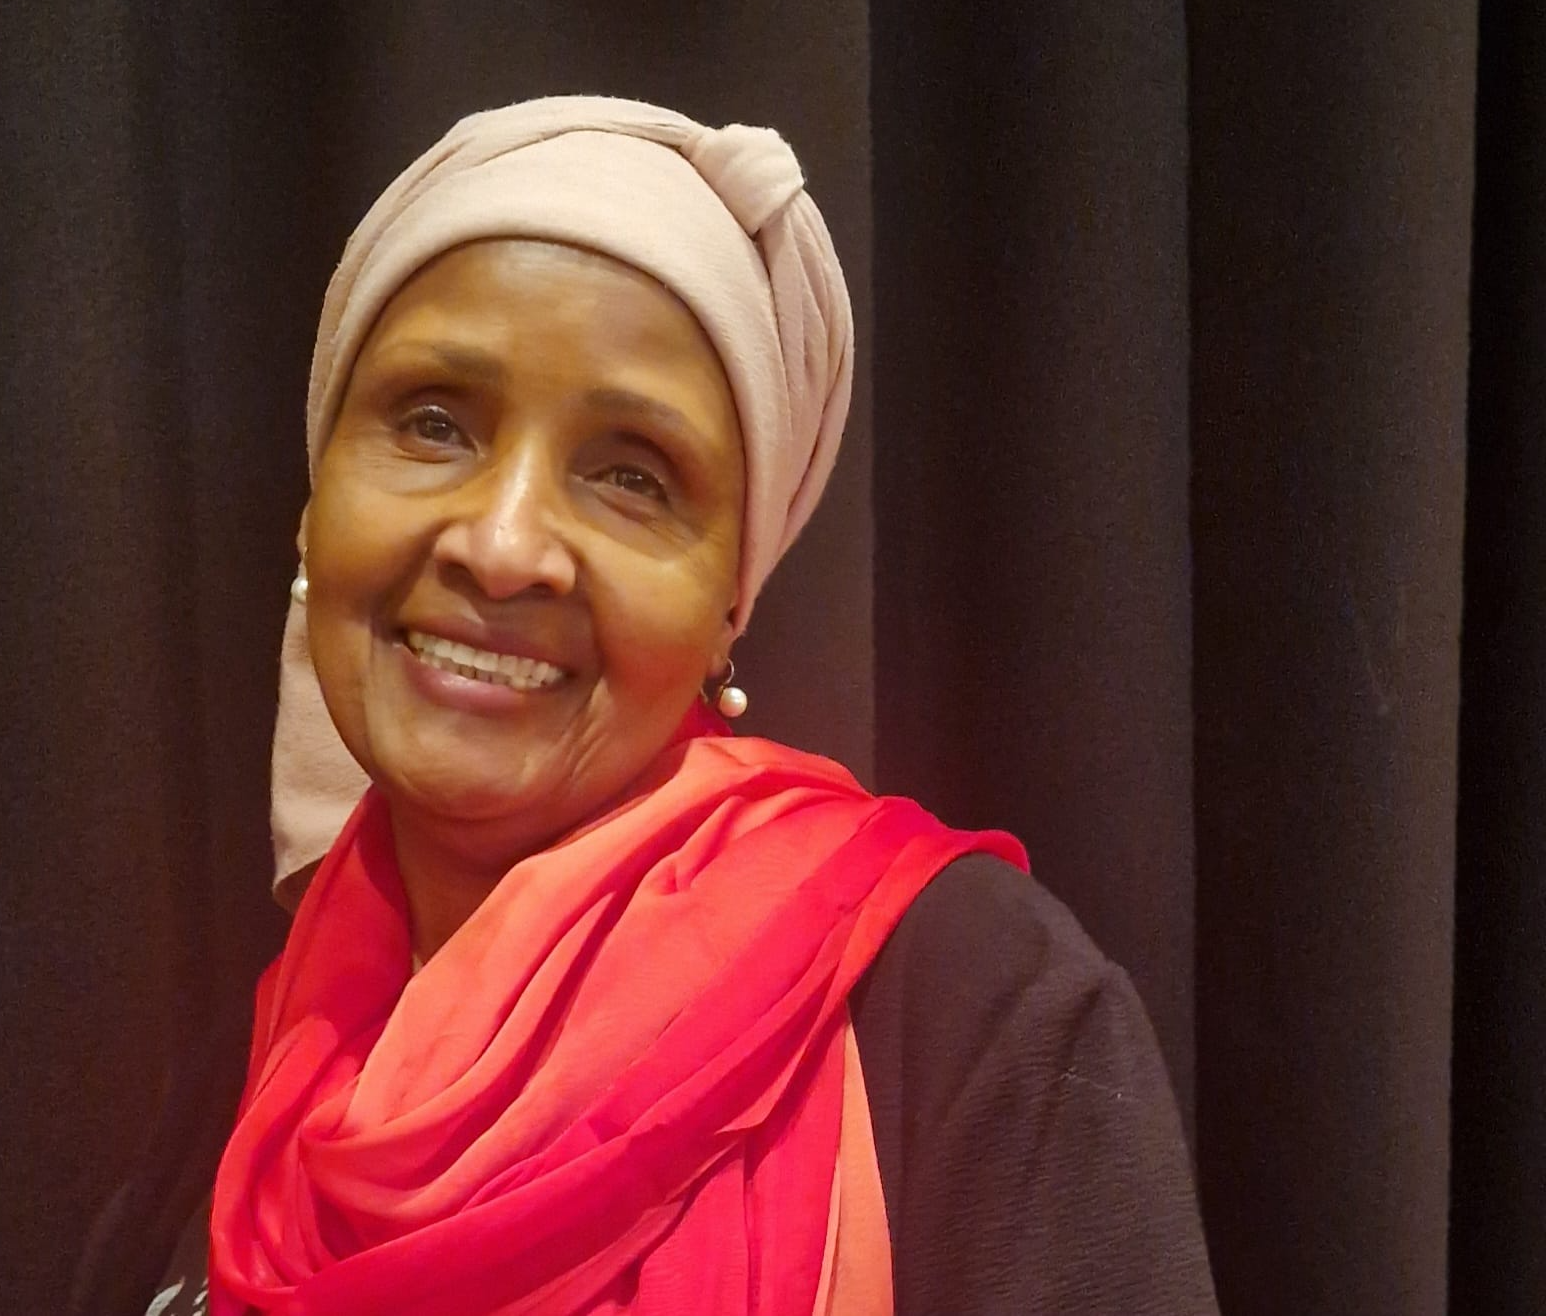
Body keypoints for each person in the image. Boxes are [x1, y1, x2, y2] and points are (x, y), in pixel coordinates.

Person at [122, 96, 1219, 1316]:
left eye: (632, 476)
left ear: (728, 607)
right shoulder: (276, 1058)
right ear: (318, 500)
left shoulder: (965, 1010)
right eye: (433, 423)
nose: (501, 545)